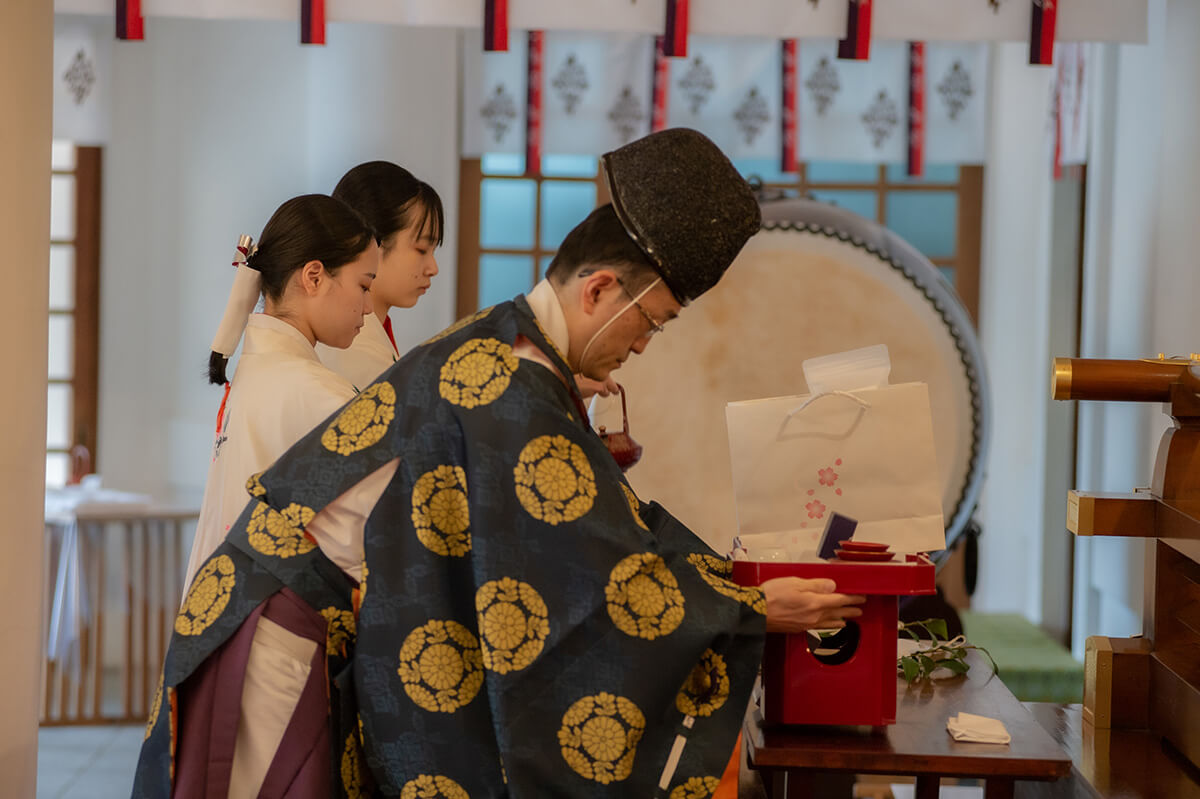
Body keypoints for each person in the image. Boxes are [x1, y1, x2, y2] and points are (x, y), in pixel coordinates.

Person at [136, 130, 863, 798]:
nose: (642, 345)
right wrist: (748, 608)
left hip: (294, 607)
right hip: (279, 632)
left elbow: (606, 534)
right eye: (652, 321)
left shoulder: (508, 346)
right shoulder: (512, 382)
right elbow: (593, 581)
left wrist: (728, 586)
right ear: (600, 288)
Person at [182, 194, 380, 588]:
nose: (369, 306)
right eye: (363, 284)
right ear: (314, 276)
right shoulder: (318, 393)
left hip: (224, 619)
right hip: (274, 628)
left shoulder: (258, 371)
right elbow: (368, 541)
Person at [317, 161, 444, 389]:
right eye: (421, 249)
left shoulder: (366, 335)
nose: (433, 268)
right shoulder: (351, 350)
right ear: (374, 243)